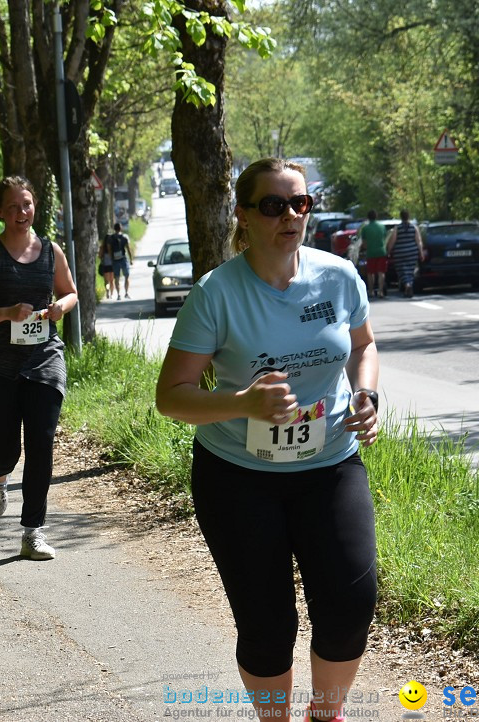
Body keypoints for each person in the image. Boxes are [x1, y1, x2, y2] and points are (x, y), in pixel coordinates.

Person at [155, 158, 380, 722]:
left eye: (300, 203)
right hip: (238, 477)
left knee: (352, 603)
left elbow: (363, 346)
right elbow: (172, 396)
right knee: (266, 624)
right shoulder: (216, 294)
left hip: (330, 462)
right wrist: (244, 403)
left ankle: (326, 713)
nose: (291, 216)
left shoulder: (338, 276)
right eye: (273, 205)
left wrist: (366, 395)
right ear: (244, 215)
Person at [0, 175, 78, 561]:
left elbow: (71, 291)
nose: (21, 212)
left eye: (26, 204)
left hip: (44, 359)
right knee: (6, 449)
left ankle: (33, 531)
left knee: (41, 444)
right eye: (12, 206)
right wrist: (6, 312)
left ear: (34, 205)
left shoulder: (50, 251)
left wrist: (62, 306)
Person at [386, 209, 423, 298]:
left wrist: (388, 251)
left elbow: (392, 241)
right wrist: (421, 252)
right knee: (410, 270)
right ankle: (409, 285)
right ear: (408, 216)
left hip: (400, 253)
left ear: (401, 217)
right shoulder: (414, 227)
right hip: (412, 252)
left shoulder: (397, 228)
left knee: (401, 271)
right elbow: (419, 241)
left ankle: (407, 285)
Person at [358, 211, 388, 299]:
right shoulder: (382, 227)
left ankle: (371, 291)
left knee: (370, 273)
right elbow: (385, 238)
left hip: (371, 252)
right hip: (381, 252)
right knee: (381, 272)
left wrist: (366, 248)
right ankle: (380, 291)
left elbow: (364, 243)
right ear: (376, 216)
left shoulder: (365, 228)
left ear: (368, 217)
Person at [106, 223, 134, 299]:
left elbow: (109, 250)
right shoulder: (124, 237)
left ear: (114, 229)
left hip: (115, 260)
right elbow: (128, 249)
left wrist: (111, 258)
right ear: (120, 228)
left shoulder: (110, 238)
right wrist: (131, 259)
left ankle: (118, 295)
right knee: (126, 276)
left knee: (117, 278)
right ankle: (126, 293)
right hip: (123, 258)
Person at [98, 233, 115, 300]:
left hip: (105, 265)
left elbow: (99, 256)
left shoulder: (102, 247)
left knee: (106, 281)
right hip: (112, 265)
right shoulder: (113, 246)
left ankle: (107, 292)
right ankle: (112, 294)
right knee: (112, 281)